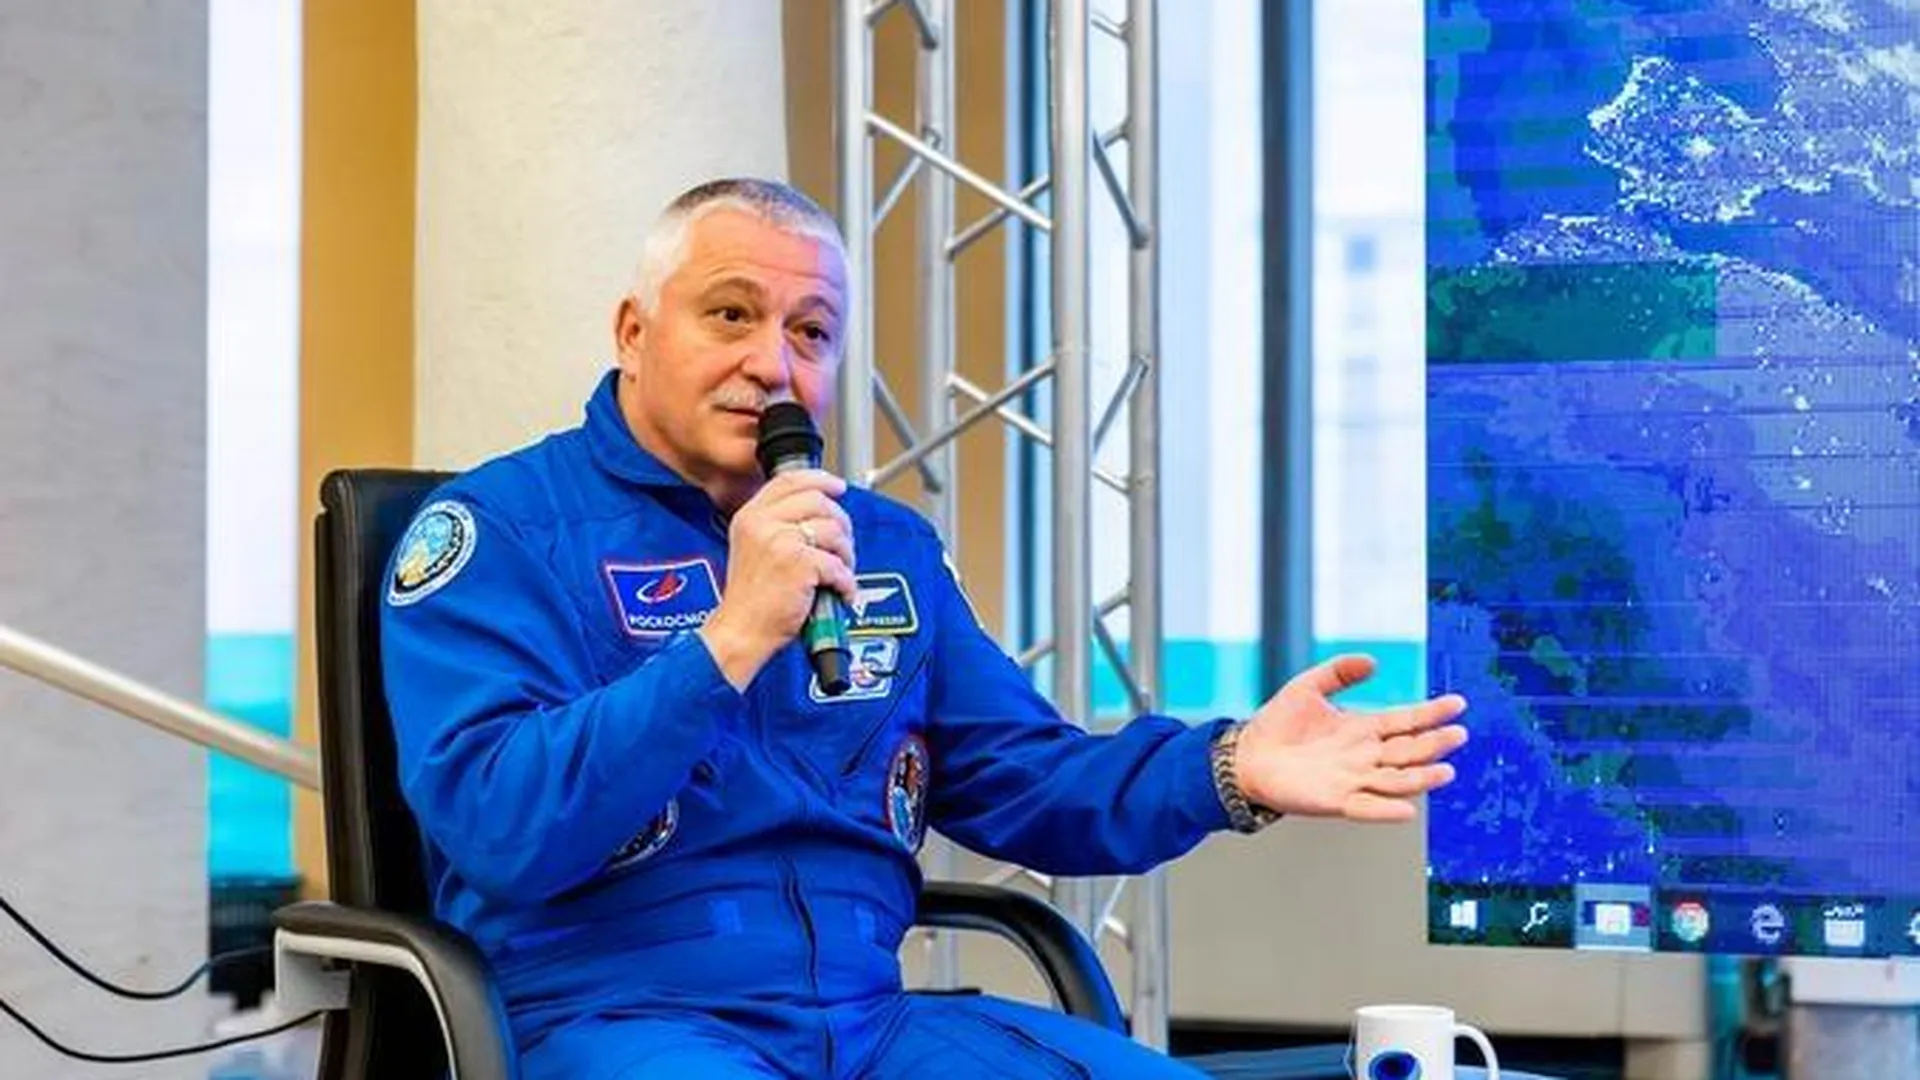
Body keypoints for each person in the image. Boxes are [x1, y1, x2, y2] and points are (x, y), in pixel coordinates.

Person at [379, 177, 1469, 1079]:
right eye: (731, 315)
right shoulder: (499, 534)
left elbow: (1029, 782)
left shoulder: (882, 545)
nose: (772, 364)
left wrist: (1228, 769)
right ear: (633, 331)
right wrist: (729, 638)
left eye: (811, 332)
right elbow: (501, 823)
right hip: (615, 1018)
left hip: (869, 1025)